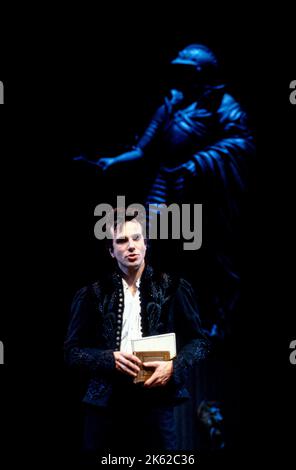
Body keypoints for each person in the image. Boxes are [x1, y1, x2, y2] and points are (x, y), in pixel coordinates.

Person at [64, 212, 210, 457]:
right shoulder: (91, 294)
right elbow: (71, 352)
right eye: (121, 241)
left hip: (156, 402)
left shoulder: (174, 287)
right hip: (105, 406)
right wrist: (108, 359)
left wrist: (173, 368)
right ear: (111, 251)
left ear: (146, 244)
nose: (130, 245)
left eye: (136, 238)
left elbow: (201, 342)